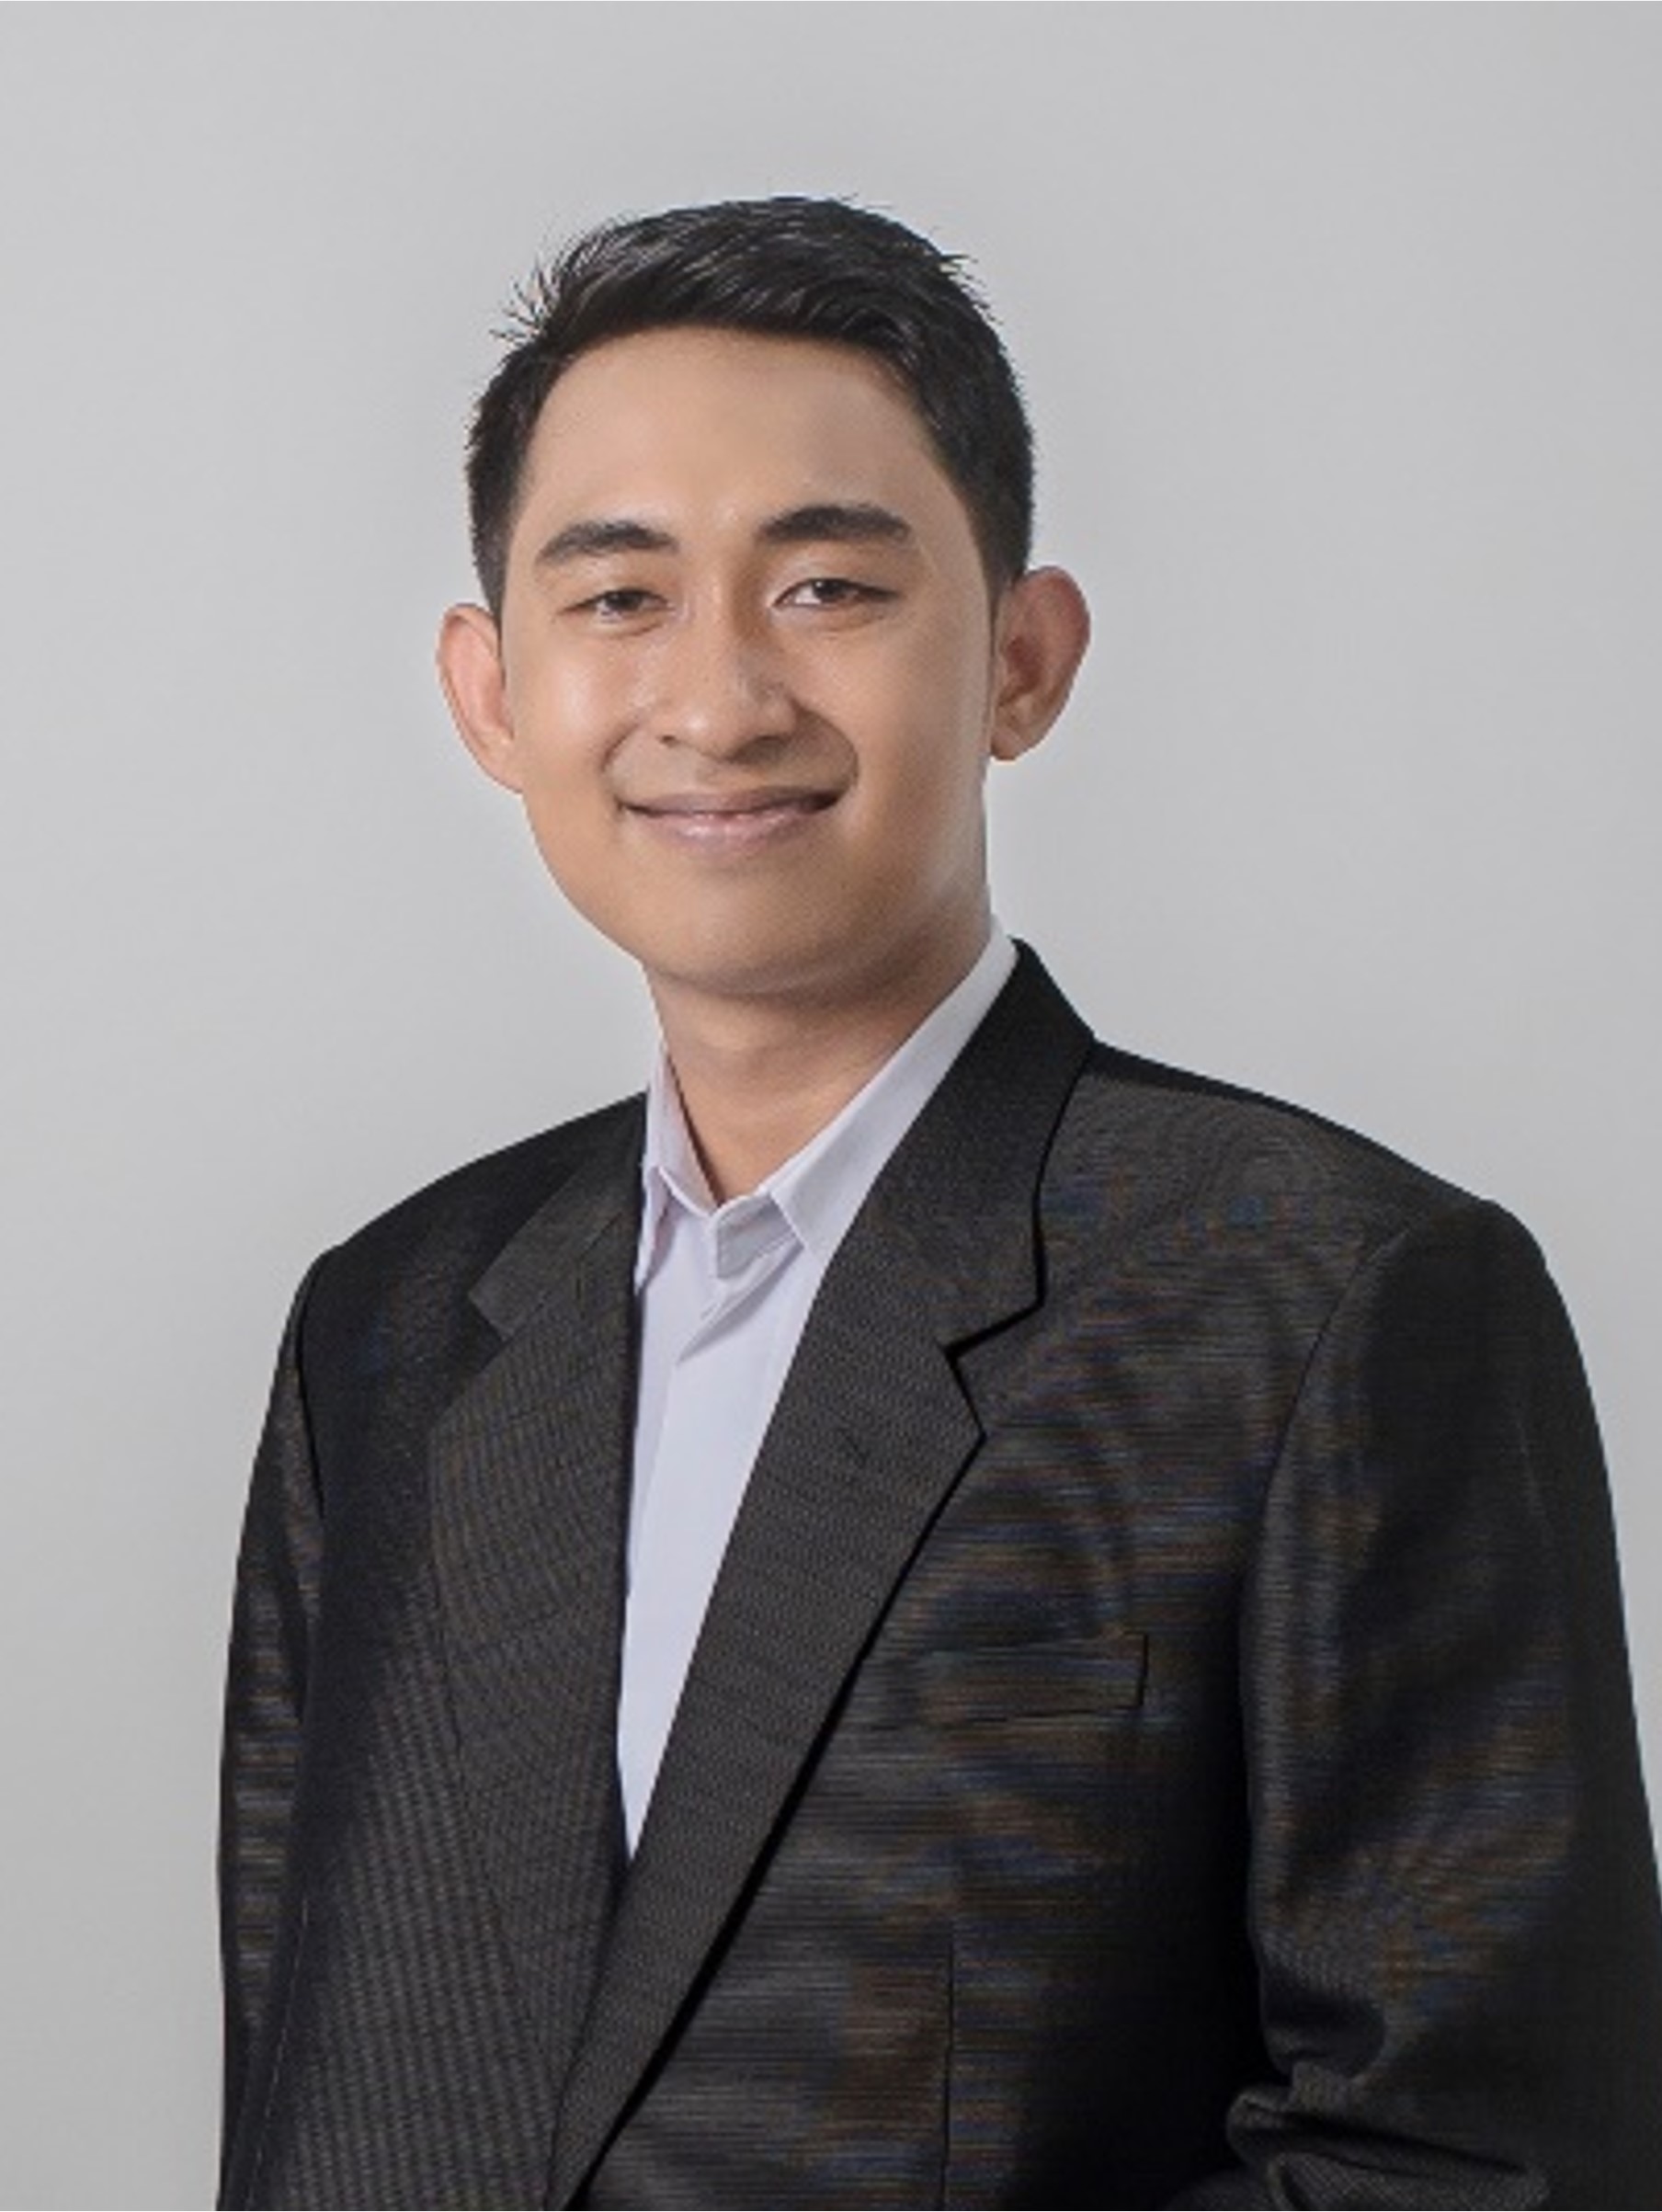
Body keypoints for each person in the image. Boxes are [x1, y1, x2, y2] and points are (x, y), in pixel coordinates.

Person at [217, 197, 1662, 2212]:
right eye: (619, 597)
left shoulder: (1335, 1296)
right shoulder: (391, 1327)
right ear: (490, 694)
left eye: (826, 586)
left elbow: (1479, 2166)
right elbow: (303, 2108)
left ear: (1022, 659)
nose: (717, 699)